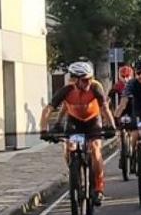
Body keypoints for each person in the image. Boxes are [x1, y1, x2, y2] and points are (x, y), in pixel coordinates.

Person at [41, 62, 118, 206]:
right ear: (75, 80)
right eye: (84, 80)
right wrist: (44, 130)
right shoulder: (66, 90)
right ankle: (74, 175)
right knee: (69, 146)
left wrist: (111, 127)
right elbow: (47, 110)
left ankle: (99, 187)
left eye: (90, 78)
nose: (89, 82)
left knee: (95, 149)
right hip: (74, 121)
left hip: (93, 121)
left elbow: (105, 109)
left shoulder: (95, 88)